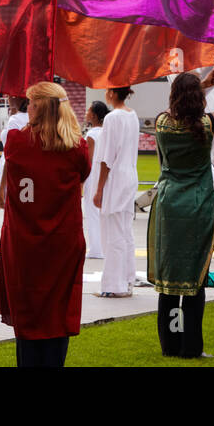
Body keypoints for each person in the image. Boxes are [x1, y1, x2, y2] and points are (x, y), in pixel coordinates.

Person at [0, 81, 90, 367]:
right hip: (63, 239)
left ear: (41, 108)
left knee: (27, 308)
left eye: (32, 103)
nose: (27, 107)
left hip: (23, 240)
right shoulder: (77, 147)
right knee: (58, 310)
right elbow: (82, 173)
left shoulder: (17, 142)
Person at [149, 52, 214, 358]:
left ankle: (169, 345)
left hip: (170, 204)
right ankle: (191, 348)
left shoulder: (161, 123)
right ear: (198, 100)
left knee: (170, 280)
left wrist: (200, 84)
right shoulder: (207, 125)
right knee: (195, 278)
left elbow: (180, 107)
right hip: (198, 204)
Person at [94, 86, 139, 297]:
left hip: (116, 179)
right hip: (129, 175)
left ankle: (114, 284)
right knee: (125, 231)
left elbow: (107, 158)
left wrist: (99, 188)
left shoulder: (113, 118)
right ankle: (127, 279)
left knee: (113, 234)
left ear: (112, 93)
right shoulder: (133, 115)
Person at [82, 101, 108, 259]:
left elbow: (88, 160)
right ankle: (102, 247)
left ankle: (96, 249)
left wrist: (81, 181)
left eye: (88, 110)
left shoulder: (91, 135)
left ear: (94, 115)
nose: (86, 113)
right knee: (101, 213)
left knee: (92, 213)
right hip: (103, 175)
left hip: (92, 176)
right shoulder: (106, 132)